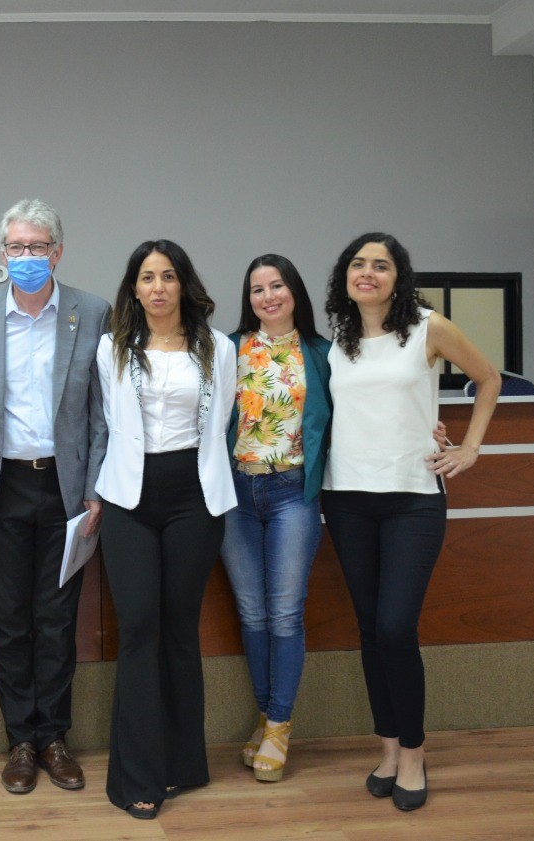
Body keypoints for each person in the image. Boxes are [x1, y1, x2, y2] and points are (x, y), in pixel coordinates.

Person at [321, 232, 500, 812]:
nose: (367, 273)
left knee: (396, 628)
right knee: (370, 629)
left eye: (381, 265)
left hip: (412, 499)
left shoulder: (428, 327)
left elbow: (489, 378)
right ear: (345, 277)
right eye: (358, 264)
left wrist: (469, 447)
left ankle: (416, 753)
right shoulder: (338, 343)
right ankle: (389, 750)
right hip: (346, 498)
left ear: (398, 278)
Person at [0, 199, 110, 795]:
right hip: (3, 488)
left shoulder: (92, 312)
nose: (26, 256)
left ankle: (54, 738)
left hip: (65, 489)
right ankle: (20, 739)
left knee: (57, 619)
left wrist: (94, 490)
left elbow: (102, 412)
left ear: (57, 252)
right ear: (2, 253)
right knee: (8, 620)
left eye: (37, 247)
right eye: (16, 247)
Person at [95, 239, 236, 819]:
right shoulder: (112, 348)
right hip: (128, 498)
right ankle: (139, 776)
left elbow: (221, 422)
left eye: (169, 276)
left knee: (179, 630)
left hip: (194, 497)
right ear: (134, 287)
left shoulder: (218, 348)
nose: (158, 287)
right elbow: (109, 421)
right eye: (148, 277)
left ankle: (183, 764)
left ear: (184, 285)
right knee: (138, 629)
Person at [220, 254, 331, 783]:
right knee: (252, 613)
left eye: (277, 285)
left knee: (285, 613)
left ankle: (280, 724)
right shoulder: (228, 349)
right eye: (257, 289)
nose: (267, 296)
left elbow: (360, 409)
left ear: (294, 291)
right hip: (236, 493)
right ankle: (268, 719)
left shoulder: (323, 353)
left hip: (293, 494)